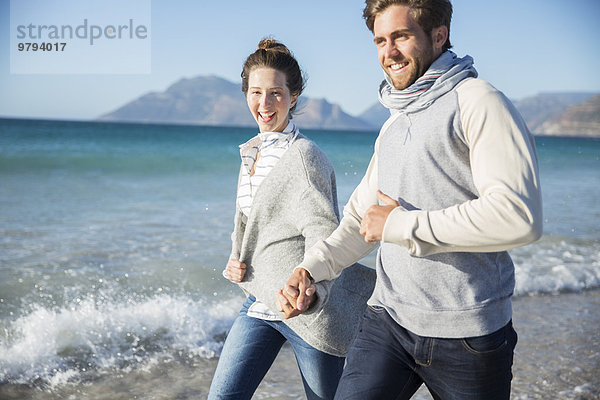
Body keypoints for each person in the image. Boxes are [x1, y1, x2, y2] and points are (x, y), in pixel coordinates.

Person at [279, 1, 543, 399]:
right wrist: (311, 270)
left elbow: (518, 216)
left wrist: (401, 226)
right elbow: (362, 221)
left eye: (401, 37)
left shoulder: (479, 101)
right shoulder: (394, 121)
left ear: (438, 36)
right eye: (380, 41)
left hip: (468, 335)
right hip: (388, 320)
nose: (389, 52)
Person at [207, 38, 376, 400]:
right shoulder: (252, 152)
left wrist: (315, 291)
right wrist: (236, 257)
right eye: (255, 92)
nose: (264, 104)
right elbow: (249, 219)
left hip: (306, 311)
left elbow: (323, 230)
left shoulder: (304, 157)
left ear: (294, 95)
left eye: (275, 93)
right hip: (258, 302)